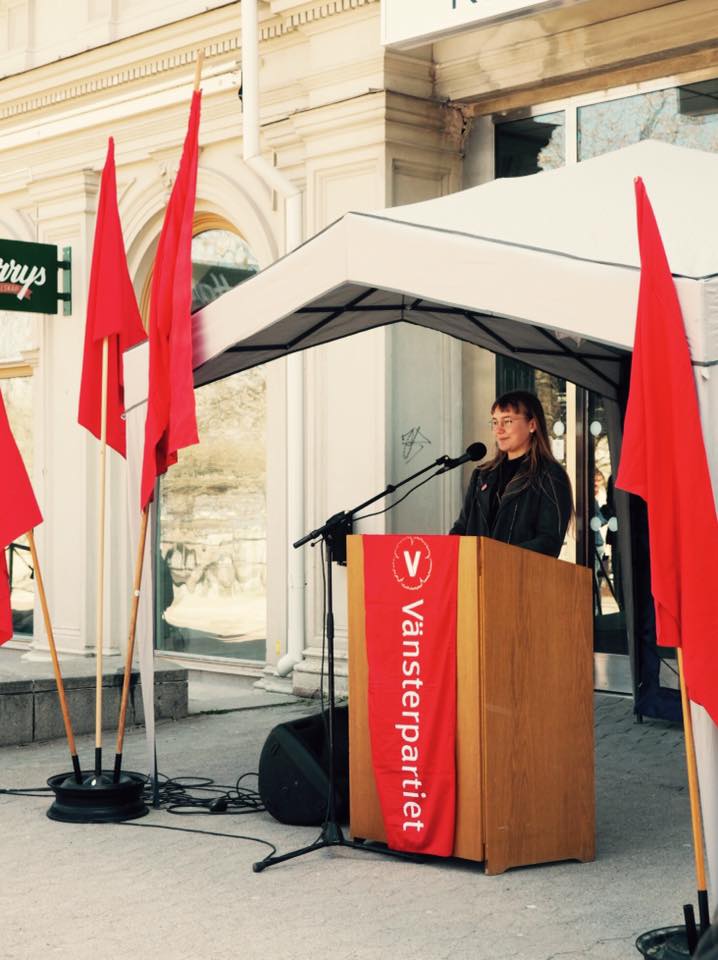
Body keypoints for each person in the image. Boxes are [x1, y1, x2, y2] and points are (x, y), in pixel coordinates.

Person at [450, 390, 573, 558]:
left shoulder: (550, 475)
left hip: (520, 573)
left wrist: (496, 556)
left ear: (532, 425)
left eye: (507, 421)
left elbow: (548, 542)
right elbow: (461, 528)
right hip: (475, 572)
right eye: (495, 422)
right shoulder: (481, 475)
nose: (498, 430)